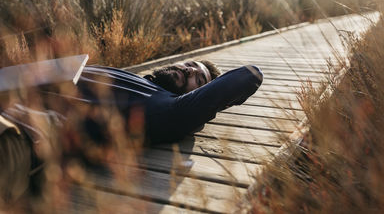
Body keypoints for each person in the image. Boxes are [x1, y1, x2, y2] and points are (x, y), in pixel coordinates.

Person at [0, 59, 263, 203]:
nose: (190, 69)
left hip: (24, 134)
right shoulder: (124, 75)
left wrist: (203, 105)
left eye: (200, 79)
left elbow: (249, 76)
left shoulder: (168, 108)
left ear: (199, 92)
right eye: (191, 64)